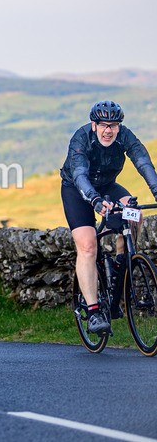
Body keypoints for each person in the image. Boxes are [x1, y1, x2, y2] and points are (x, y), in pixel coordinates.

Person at [60, 100, 157, 335]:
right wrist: (94, 200)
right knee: (88, 245)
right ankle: (93, 312)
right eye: (103, 125)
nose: (108, 130)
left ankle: (120, 264)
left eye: (113, 126)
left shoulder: (124, 136)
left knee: (135, 216)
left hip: (107, 186)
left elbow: (143, 161)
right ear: (94, 125)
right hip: (77, 189)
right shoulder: (81, 139)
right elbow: (80, 174)